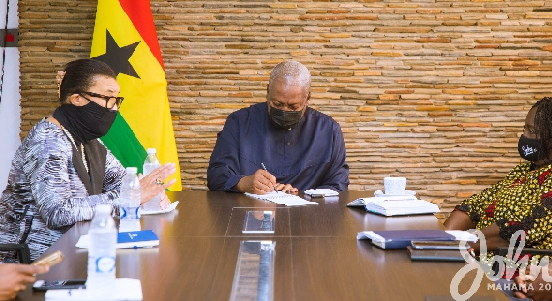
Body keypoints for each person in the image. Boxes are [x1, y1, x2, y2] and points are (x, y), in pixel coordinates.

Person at [0, 59, 176, 262]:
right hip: (31, 262)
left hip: (75, 250)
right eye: (108, 98)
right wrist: (132, 197)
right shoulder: (48, 140)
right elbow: (57, 212)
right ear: (77, 99)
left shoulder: (89, 141)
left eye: (116, 100)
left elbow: (122, 183)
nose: (114, 109)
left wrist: (150, 195)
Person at [445, 96, 552, 256]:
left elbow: (518, 229)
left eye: (532, 131)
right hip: (478, 253)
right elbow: (475, 205)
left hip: (519, 269)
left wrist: (455, 245)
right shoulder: (525, 170)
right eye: (525, 128)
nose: (524, 136)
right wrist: (443, 238)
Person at [207, 60, 349, 194]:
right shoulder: (239, 122)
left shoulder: (329, 131)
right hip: (250, 214)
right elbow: (216, 175)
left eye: (293, 107)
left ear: (307, 99)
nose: (284, 112)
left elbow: (338, 185)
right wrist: (244, 183)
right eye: (278, 104)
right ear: (268, 92)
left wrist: (301, 195)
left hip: (307, 216)